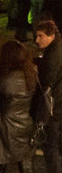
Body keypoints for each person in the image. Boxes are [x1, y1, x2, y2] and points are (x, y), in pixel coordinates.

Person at [34, 20, 62, 173]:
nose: (37, 40)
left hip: (55, 106)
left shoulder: (52, 56)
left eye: (40, 36)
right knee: (60, 136)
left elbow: (46, 84)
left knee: (50, 145)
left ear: (51, 36)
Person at [0, 41, 36, 173]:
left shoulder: (6, 79)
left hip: (6, 127)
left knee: (2, 158)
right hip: (26, 123)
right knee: (25, 161)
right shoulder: (31, 74)